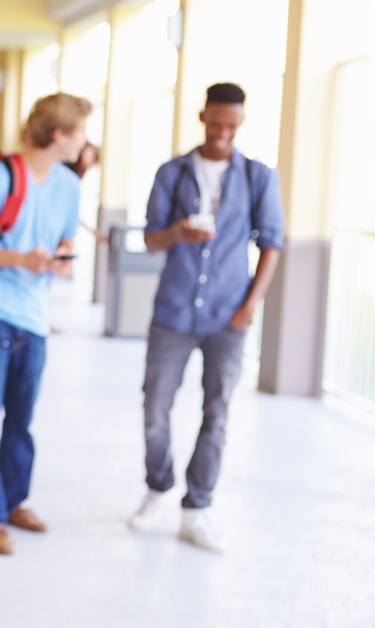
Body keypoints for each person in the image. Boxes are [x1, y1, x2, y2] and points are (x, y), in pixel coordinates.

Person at [128, 83, 284, 552]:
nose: (221, 133)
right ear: (202, 117)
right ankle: (158, 487)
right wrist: (178, 232)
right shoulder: (172, 172)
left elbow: (272, 243)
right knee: (155, 409)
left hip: (227, 318)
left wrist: (248, 307)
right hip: (173, 311)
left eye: (231, 126)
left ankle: (197, 508)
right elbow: (150, 239)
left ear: (240, 123)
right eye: (215, 124)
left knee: (216, 413)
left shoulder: (257, 177)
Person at [0, 93, 90, 555]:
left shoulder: (69, 185)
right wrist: (20, 260)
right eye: (82, 131)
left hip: (35, 320)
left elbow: (63, 240)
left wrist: (59, 262)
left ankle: (13, 502)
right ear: (60, 134)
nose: (87, 141)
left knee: (22, 422)